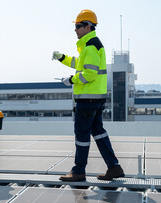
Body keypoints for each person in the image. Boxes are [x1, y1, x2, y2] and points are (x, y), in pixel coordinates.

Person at [52, 10, 125, 181]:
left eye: (78, 26)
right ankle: (114, 167)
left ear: (88, 26)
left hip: (87, 99)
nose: (75, 30)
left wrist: (71, 80)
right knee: (98, 132)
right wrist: (62, 57)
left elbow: (89, 74)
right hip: (95, 98)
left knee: (82, 134)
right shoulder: (90, 45)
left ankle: (78, 171)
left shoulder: (91, 46)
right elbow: (79, 63)